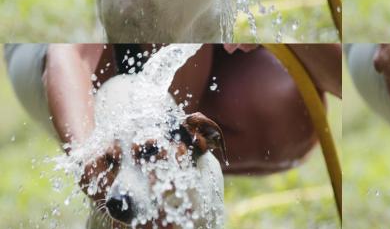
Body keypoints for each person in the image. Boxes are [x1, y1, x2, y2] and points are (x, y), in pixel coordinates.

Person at [5, 43, 342, 174]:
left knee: (285, 109)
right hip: (63, 63)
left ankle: (168, 173)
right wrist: (87, 155)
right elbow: (69, 54)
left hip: (186, 71)